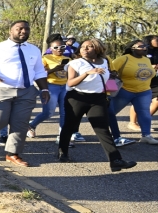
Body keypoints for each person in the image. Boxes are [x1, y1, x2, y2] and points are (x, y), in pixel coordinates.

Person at [0, 20, 49, 167]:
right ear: (11, 30)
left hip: (26, 92)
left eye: (26, 29)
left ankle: (12, 153)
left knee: (20, 124)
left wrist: (44, 89)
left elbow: (39, 71)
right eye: (19, 29)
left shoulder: (34, 50)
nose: (23, 31)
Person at [58, 39, 136, 172]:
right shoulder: (75, 63)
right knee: (70, 126)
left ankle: (115, 161)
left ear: (97, 49)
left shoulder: (104, 62)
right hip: (77, 98)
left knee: (103, 129)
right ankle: (63, 152)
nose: (84, 49)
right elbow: (70, 83)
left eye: (89, 47)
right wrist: (86, 73)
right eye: (83, 47)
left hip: (98, 99)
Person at [107, 39, 158, 145]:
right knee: (109, 113)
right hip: (124, 91)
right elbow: (110, 71)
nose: (144, 48)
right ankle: (103, 133)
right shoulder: (123, 59)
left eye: (145, 46)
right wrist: (109, 87)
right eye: (140, 46)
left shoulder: (146, 60)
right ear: (132, 48)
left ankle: (146, 136)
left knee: (145, 113)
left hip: (144, 91)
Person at [27, 35, 72, 146]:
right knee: (49, 112)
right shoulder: (45, 58)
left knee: (64, 113)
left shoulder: (69, 59)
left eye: (62, 46)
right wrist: (54, 70)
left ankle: (63, 137)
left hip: (65, 87)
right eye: (56, 47)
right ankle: (31, 125)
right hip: (51, 87)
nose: (59, 49)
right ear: (50, 49)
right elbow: (39, 74)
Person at [127, 35, 158, 131]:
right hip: (142, 78)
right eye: (156, 39)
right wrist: (149, 67)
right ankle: (132, 123)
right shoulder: (143, 51)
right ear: (149, 41)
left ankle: (143, 121)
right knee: (139, 100)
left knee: (157, 101)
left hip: (155, 79)